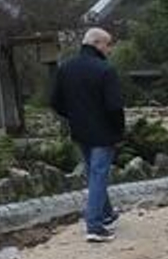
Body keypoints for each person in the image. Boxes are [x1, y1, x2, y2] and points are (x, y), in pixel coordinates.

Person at [50, 27, 124, 243]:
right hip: (103, 131)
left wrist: (73, 115)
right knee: (99, 175)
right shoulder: (105, 70)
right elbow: (114, 107)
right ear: (97, 44)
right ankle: (94, 226)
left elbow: (55, 102)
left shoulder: (65, 68)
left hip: (79, 130)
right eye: (108, 45)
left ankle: (107, 213)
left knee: (94, 172)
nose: (109, 50)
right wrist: (119, 131)